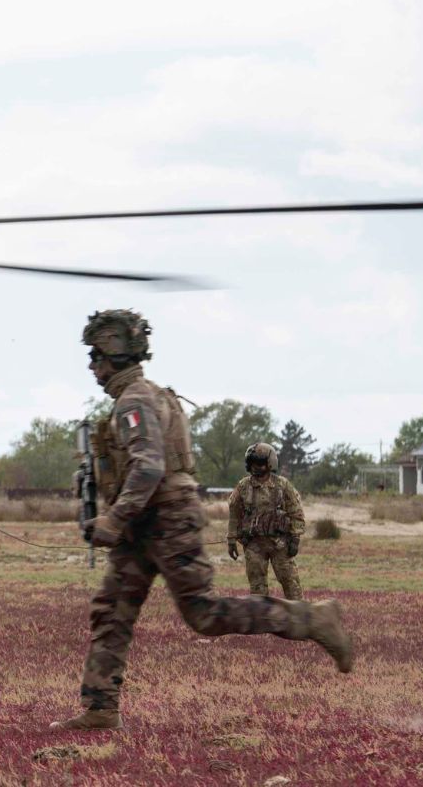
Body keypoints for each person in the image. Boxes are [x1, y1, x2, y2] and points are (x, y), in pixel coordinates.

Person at [52, 310, 352, 731]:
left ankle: (314, 619)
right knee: (112, 611)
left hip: (165, 519)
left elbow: (149, 467)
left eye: (95, 356)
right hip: (145, 522)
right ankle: (100, 707)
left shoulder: (135, 402)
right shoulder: (141, 397)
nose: (91, 367)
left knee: (204, 614)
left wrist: (114, 519)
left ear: (114, 356)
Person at [228, 442, 306, 599]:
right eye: (252, 463)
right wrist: (231, 539)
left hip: (280, 544)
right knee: (257, 588)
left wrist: (295, 538)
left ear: (269, 463)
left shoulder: (282, 485)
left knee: (291, 583)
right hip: (254, 545)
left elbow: (296, 512)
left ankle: (300, 618)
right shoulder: (243, 486)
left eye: (260, 463)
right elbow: (234, 513)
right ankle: (262, 620)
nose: (256, 467)